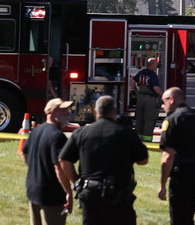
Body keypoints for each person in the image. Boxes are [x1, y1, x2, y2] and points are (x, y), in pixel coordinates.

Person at [59, 96, 149, 225]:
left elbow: (64, 160)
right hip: (119, 196)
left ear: (95, 112)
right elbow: (143, 160)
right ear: (115, 111)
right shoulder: (125, 133)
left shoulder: (82, 133)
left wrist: (76, 181)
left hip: (90, 194)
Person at [158, 87, 195, 225]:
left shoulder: (172, 120)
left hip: (182, 176)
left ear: (171, 100)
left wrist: (162, 185)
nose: (162, 105)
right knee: (188, 217)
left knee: (178, 219)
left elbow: (168, 157)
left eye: (164, 101)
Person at [22, 98, 75, 225]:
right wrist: (68, 191)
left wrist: (37, 171)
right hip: (52, 195)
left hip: (33, 190)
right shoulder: (57, 136)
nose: (68, 113)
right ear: (52, 112)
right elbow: (59, 166)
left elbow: (24, 154)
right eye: (63, 110)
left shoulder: (36, 131)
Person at [130, 57, 162, 142]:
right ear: (152, 65)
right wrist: (163, 95)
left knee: (139, 119)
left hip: (140, 98)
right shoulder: (153, 74)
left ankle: (138, 140)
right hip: (150, 99)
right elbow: (156, 88)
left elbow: (132, 82)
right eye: (156, 63)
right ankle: (147, 141)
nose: (157, 65)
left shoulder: (141, 72)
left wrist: (136, 91)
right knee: (149, 120)